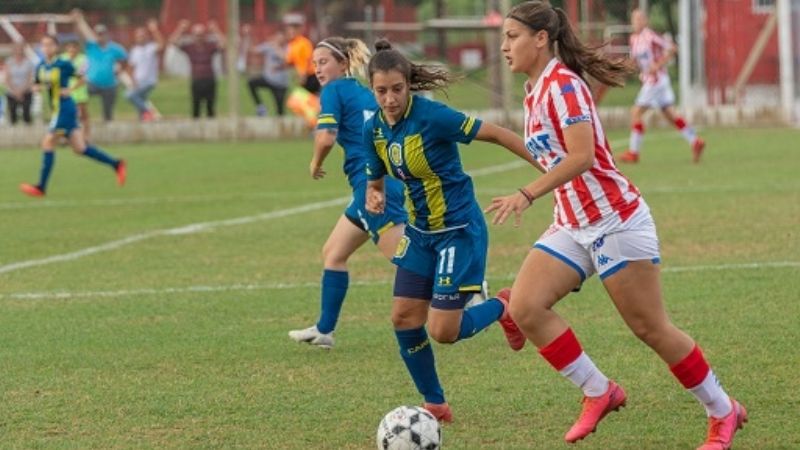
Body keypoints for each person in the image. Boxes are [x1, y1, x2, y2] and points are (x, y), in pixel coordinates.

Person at [486, 3, 745, 448]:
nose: (504, 45)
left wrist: (527, 192)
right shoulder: (534, 90)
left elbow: (582, 156)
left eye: (512, 36)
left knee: (650, 328)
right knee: (526, 307)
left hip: (614, 220)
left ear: (541, 38)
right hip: (573, 222)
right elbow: (554, 154)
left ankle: (723, 410)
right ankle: (599, 390)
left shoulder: (563, 85)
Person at [363, 39, 542, 423]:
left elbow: (495, 133)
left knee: (444, 330)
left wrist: (547, 165)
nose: (390, 98)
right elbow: (375, 180)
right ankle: (435, 403)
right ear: (372, 90)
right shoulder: (373, 129)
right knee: (403, 318)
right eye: (382, 91)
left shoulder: (433, 117)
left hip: (458, 230)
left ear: (409, 84)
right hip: (420, 233)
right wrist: (374, 196)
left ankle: (504, 307)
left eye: (397, 89)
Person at [288, 37, 408, 349]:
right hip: (377, 182)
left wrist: (315, 163)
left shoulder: (334, 91)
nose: (318, 69)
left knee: (405, 259)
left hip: (372, 185)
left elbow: (326, 137)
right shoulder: (364, 91)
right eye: (314, 64)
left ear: (343, 64)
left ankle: (466, 288)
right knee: (334, 253)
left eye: (324, 62)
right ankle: (324, 330)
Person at [20, 35, 126, 198]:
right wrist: (36, 88)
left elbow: (82, 77)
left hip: (65, 109)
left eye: (49, 45)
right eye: (43, 45)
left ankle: (41, 186)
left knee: (48, 142)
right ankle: (116, 164)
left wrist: (70, 90)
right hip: (56, 110)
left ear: (56, 48)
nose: (46, 48)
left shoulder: (63, 64)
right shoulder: (41, 66)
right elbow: (36, 82)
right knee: (80, 148)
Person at [619, 8, 705, 163]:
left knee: (636, 112)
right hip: (653, 81)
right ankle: (695, 141)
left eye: (639, 19)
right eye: (634, 19)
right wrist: (624, 67)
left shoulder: (650, 36)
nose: (636, 22)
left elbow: (672, 48)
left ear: (645, 21)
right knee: (670, 115)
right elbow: (636, 61)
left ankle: (633, 152)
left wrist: (658, 65)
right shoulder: (633, 39)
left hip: (656, 81)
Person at [72, 10, 128, 122]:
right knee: (78, 96)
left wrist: (120, 70)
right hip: (92, 83)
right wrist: (77, 21)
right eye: (98, 34)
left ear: (107, 34)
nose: (100, 36)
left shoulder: (114, 48)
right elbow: (80, 34)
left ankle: (108, 126)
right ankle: (77, 118)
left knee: (108, 111)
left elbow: (125, 59)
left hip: (109, 84)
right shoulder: (91, 46)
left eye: (102, 34)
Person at [169, 19, 226, 118]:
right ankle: (196, 130)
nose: (199, 37)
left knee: (210, 107)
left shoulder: (210, 46)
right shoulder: (190, 47)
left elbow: (224, 44)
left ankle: (210, 129)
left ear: (204, 35)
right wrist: (180, 29)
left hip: (209, 79)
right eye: (196, 35)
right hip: (196, 80)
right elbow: (172, 42)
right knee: (196, 107)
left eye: (201, 34)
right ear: (193, 35)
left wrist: (216, 30)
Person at [245, 28, 290, 117]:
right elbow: (253, 50)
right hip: (268, 79)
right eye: (277, 37)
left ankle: (280, 127)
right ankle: (260, 107)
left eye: (281, 38)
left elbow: (285, 58)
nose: (278, 39)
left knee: (280, 112)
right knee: (251, 83)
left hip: (281, 84)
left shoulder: (288, 47)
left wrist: (275, 46)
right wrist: (249, 36)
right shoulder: (269, 46)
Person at [127, 19, 164, 121]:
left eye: (142, 36)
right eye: (138, 36)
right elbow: (131, 68)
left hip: (149, 81)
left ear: (146, 36)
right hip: (138, 81)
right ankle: (143, 120)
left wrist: (154, 30)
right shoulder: (134, 50)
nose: (140, 38)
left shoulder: (151, 47)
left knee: (130, 96)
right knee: (140, 100)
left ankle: (149, 112)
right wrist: (133, 81)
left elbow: (162, 45)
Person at [61, 38, 91, 138]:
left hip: (79, 91)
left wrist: (71, 89)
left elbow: (82, 78)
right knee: (66, 115)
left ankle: (85, 137)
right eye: (69, 47)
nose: (72, 50)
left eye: (74, 47)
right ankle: (68, 137)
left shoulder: (83, 59)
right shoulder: (62, 59)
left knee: (83, 115)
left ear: (78, 48)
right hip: (65, 91)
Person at [282, 14, 319, 95]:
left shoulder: (304, 43)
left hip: (311, 76)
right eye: (288, 31)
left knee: (310, 102)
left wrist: (303, 76)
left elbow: (306, 60)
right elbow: (289, 61)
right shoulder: (292, 44)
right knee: (303, 103)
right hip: (301, 76)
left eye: (292, 31)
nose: (289, 33)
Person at [5, 42, 35, 125]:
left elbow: (30, 79)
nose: (18, 51)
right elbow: (7, 79)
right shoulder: (9, 62)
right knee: (12, 115)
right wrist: (15, 92)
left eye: (20, 49)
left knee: (26, 114)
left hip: (26, 91)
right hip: (12, 92)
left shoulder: (28, 63)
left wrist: (21, 91)